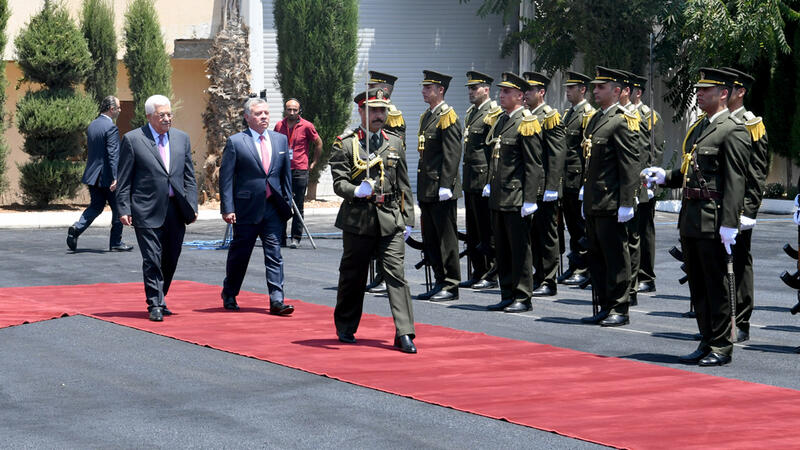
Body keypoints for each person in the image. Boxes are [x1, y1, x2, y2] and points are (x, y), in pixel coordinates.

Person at [643, 67, 750, 366]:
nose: (699, 95)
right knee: (698, 286)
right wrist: (666, 177)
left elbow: (735, 181)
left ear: (723, 94)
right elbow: (690, 172)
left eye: (706, 90)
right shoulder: (700, 127)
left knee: (716, 286)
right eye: (698, 90)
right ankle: (707, 340)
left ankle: (721, 346)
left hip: (714, 220)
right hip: (691, 219)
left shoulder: (733, 129)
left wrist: (730, 223)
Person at [329, 88, 417, 353]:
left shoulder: (394, 142)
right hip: (359, 219)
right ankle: (346, 325)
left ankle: (405, 333)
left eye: (382, 110)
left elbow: (403, 184)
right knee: (353, 275)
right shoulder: (346, 144)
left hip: (390, 218)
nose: (379, 115)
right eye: (374, 110)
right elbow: (339, 182)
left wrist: (408, 218)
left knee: (396, 275)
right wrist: (356, 190)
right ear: (361, 111)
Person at [117, 95, 198, 322]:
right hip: (146, 209)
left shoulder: (181, 138)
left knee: (171, 257)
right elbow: (124, 179)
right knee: (152, 258)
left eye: (169, 114)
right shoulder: (133, 139)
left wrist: (192, 205)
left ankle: (161, 297)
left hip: (176, 209)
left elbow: (189, 177)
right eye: (161, 115)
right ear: (149, 116)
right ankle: (154, 303)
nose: (167, 118)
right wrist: (124, 208)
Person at [219, 97, 295, 316]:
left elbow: (285, 175)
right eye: (258, 113)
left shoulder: (280, 140)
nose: (264, 117)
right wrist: (228, 208)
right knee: (240, 255)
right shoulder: (236, 142)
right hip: (246, 209)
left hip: (273, 208)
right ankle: (230, 292)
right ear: (247, 117)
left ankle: (277, 300)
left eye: (266, 113)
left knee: (274, 254)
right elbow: (226, 178)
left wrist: (287, 202)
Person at [579, 67, 640, 328]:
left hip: (612, 201)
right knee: (597, 256)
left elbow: (630, 164)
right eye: (594, 87)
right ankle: (605, 304)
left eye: (600, 87)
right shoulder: (596, 119)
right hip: (594, 200)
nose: (595, 91)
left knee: (616, 257)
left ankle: (619, 307)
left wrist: (627, 201)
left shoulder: (622, 120)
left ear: (616, 91)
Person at [483, 72, 544, 313]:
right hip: (499, 196)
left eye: (506, 92)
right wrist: (490, 182)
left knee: (519, 250)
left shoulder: (526, 122)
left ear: (520, 96)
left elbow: (533, 164)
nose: (501, 95)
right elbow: (495, 157)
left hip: (516, 197)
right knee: (503, 249)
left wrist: (530, 199)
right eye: (501, 91)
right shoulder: (502, 121)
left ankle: (523, 295)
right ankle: (507, 293)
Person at [722, 67, 769, 343]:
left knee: (739, 264)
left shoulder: (751, 124)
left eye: (728, 87)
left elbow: (757, 171)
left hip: (739, 208)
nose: (722, 92)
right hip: (717, 207)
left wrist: (749, 210)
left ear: (740, 92)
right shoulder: (715, 121)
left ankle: (740, 321)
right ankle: (720, 321)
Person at [416, 70, 463, 301]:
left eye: (428, 88)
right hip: (427, 187)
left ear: (440, 90)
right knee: (432, 239)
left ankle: (451, 284)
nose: (423, 91)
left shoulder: (447, 116)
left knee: (446, 239)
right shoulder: (428, 116)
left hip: (440, 189)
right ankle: (439, 280)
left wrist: (446, 184)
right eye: (424, 87)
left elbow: (452, 154)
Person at [67, 96, 133, 252]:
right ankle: (116, 242)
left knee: (96, 206)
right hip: (107, 177)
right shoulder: (111, 128)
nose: (120, 110)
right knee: (118, 208)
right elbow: (113, 154)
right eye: (118, 107)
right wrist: (116, 177)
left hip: (93, 176)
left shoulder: (93, 125)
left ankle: (77, 228)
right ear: (111, 109)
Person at [523, 71, 566, 297]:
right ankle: (538, 275)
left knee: (547, 235)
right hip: (530, 187)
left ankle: (549, 279)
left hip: (544, 187)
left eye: (530, 90)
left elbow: (556, 154)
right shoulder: (527, 116)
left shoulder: (549, 116)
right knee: (533, 234)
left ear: (541, 92)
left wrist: (552, 187)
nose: (526, 94)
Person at [364, 70, 406, 295]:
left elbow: (394, 150)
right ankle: (380, 275)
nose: (369, 88)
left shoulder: (392, 115)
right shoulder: (372, 112)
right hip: (373, 177)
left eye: (374, 86)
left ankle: (385, 276)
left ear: (385, 90)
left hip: (387, 177)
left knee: (387, 235)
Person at [459, 70, 498, 290]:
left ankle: (491, 272)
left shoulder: (493, 113)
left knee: (486, 229)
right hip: (471, 179)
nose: (471, 92)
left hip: (483, 179)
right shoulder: (472, 113)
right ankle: (478, 271)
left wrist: (491, 181)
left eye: (474, 88)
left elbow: (494, 151)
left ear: (486, 89)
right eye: (469, 89)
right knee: (473, 230)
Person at [628, 72, 665, 295]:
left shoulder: (650, 116)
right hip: (627, 184)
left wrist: (651, 184)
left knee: (644, 231)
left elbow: (656, 151)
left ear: (638, 93)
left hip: (643, 184)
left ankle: (646, 276)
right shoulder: (623, 115)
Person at [558, 71, 595, 286]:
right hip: (567, 179)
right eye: (567, 88)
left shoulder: (587, 115)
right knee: (572, 226)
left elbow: (588, 153)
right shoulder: (568, 114)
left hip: (578, 178)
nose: (568, 91)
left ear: (582, 90)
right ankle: (574, 266)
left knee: (581, 228)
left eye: (572, 88)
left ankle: (584, 267)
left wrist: (585, 183)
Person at [273, 98, 322, 249]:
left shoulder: (307, 125)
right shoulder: (279, 125)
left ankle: (296, 237)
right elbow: (273, 144)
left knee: (298, 205)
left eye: (295, 110)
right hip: (282, 170)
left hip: (299, 170)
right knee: (281, 204)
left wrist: (313, 162)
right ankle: (280, 237)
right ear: (285, 110)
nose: (292, 112)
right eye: (289, 109)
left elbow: (318, 143)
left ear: (299, 110)